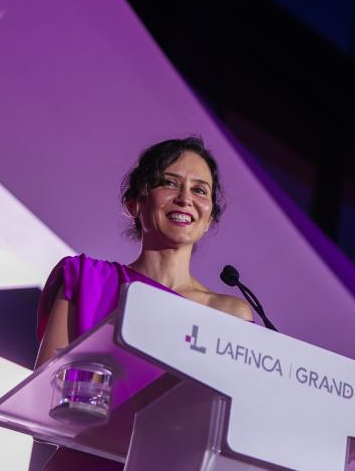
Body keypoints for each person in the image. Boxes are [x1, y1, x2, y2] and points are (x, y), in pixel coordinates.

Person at [33, 136, 253, 471]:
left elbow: (230, 422)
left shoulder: (231, 314)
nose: (185, 199)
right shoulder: (85, 279)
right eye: (169, 183)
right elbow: (43, 398)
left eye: (199, 190)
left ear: (209, 219)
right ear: (135, 202)